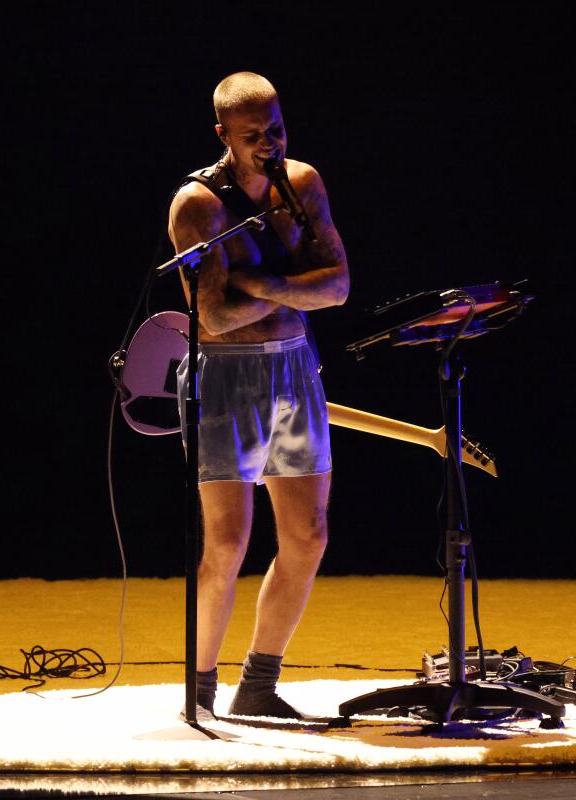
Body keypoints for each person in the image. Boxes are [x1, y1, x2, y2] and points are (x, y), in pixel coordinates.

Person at [167, 72, 350, 719]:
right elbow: (215, 318)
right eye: (253, 136)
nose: (269, 144)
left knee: (309, 534)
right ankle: (199, 691)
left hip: (294, 367)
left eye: (277, 129)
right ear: (223, 134)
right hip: (227, 378)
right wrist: (297, 288)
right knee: (226, 545)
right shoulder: (199, 206)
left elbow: (338, 287)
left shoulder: (302, 183)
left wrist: (264, 285)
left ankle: (258, 685)